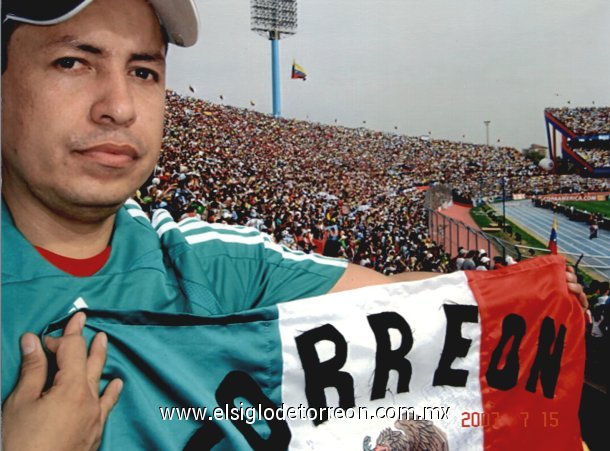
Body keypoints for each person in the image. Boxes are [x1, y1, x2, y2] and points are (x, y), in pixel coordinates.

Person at [0, 0, 588, 448]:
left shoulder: (214, 262)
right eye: (73, 61)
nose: (119, 105)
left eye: (144, 72)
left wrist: (529, 297)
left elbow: (417, 307)